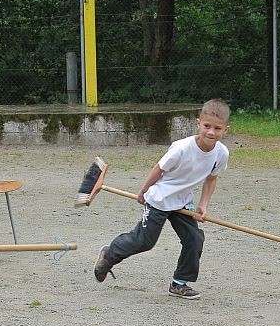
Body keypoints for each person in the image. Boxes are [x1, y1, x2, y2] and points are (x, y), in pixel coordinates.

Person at [93, 99, 231, 299]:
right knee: (145, 241)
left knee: (194, 239)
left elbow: (211, 178)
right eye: (207, 126)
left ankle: (179, 283)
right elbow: (158, 169)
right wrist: (144, 192)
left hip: (182, 201)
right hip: (160, 198)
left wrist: (203, 204)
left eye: (217, 128)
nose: (211, 132)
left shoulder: (221, 153)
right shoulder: (182, 148)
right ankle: (109, 254)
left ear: (225, 130)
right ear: (198, 123)